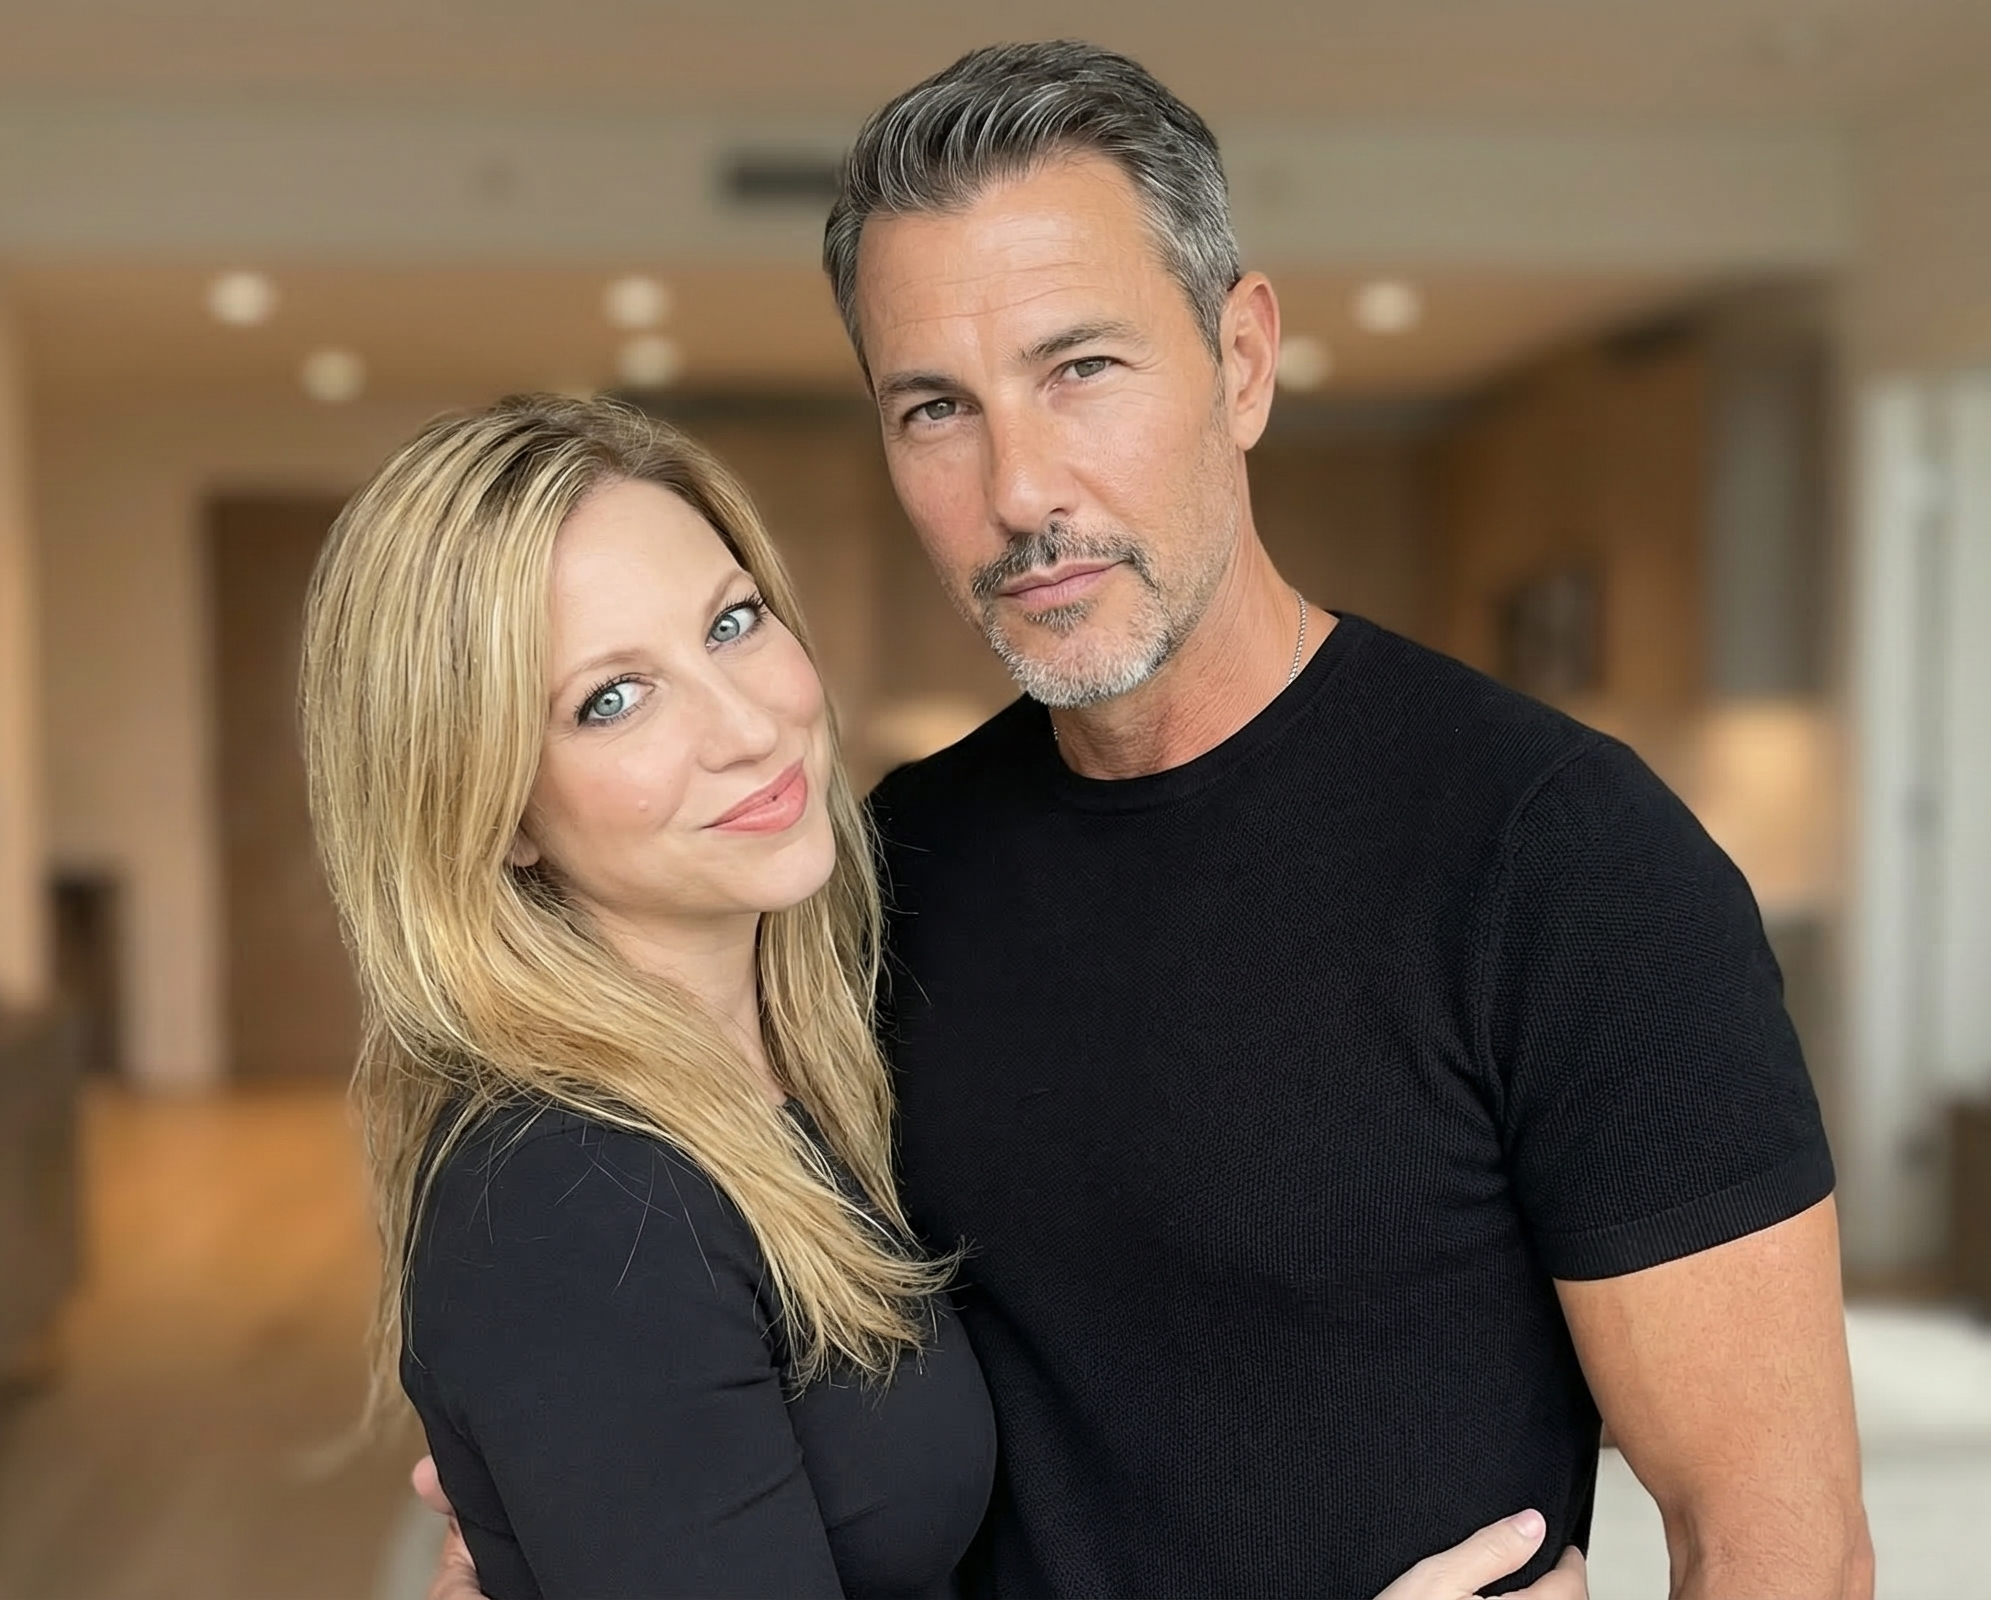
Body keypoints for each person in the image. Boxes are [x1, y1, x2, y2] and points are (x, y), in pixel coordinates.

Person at [424, 38, 1872, 1598]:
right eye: (934, 409)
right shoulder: (876, 873)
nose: (1020, 487)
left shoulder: (1564, 862)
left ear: (1241, 360)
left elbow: (1778, 1547)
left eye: (1080, 368)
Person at [312, 394, 1583, 1599]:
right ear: (491, 808)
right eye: (610, 699)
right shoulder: (576, 1197)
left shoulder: (804, 1060)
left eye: (731, 623)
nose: (744, 726)